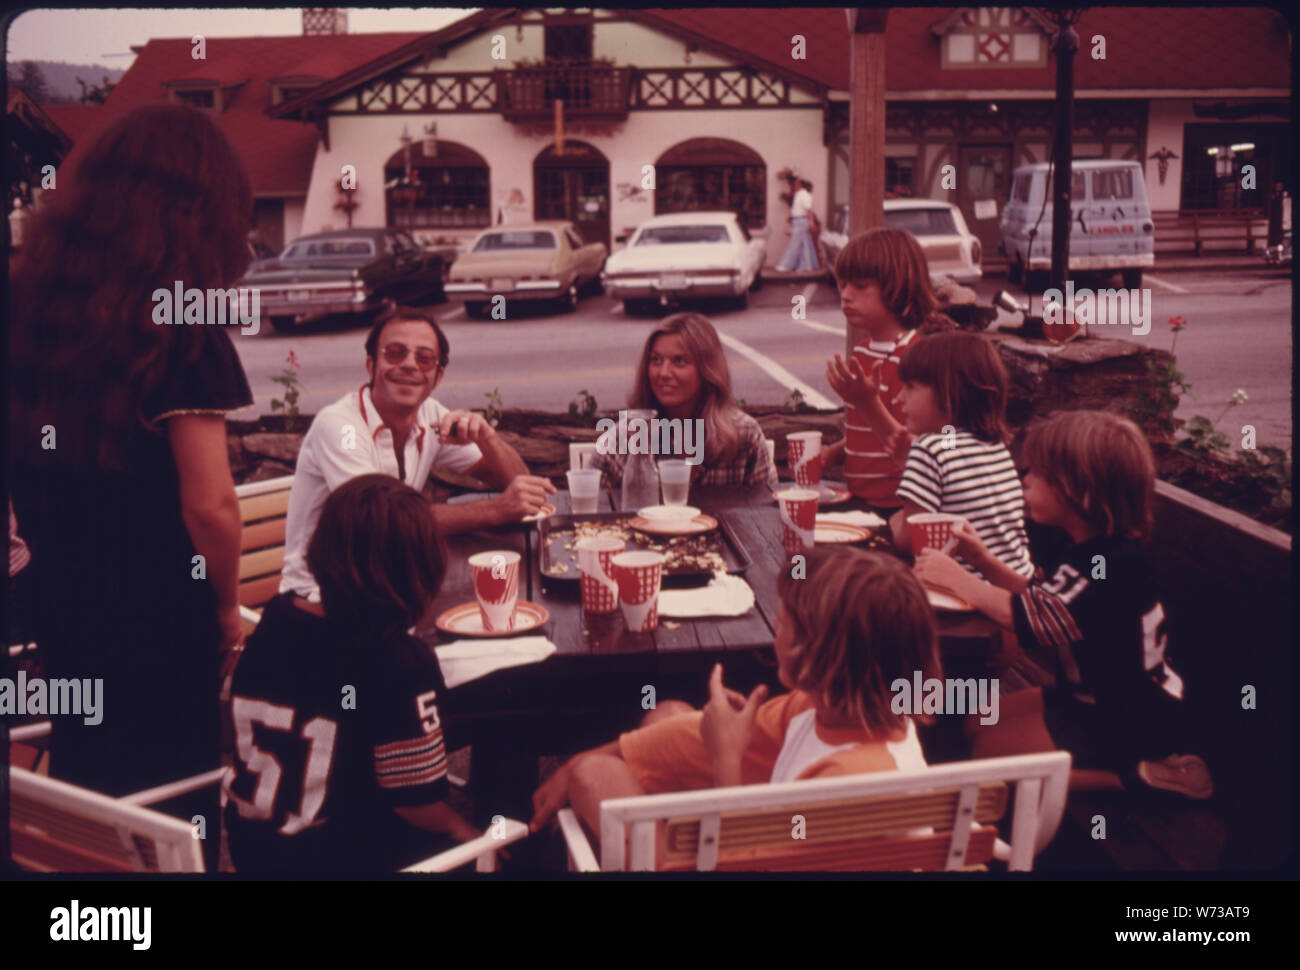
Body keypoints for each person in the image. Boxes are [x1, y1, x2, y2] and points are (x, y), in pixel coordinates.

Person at [9, 105, 253, 809]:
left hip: (60, 603)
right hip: (159, 619)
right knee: (172, 797)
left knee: (94, 783)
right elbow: (210, 506)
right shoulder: (185, 323)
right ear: (204, 210)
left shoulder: (27, 309)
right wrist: (229, 611)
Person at [529, 547, 938, 858]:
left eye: (787, 619)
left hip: (746, 862)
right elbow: (683, 738)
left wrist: (726, 757)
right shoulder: (821, 708)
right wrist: (573, 763)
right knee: (667, 715)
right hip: (769, 844)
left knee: (594, 776)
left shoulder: (853, 783)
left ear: (820, 654)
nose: (775, 623)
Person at [913, 411, 1214, 798]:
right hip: (1086, 695)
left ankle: (1140, 776)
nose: (1025, 479)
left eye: (1037, 473)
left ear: (1079, 490)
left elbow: (1033, 621)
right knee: (974, 722)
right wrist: (985, 562)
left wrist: (959, 579)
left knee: (985, 758)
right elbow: (1042, 600)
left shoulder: (1111, 567)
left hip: (1123, 718)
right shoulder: (1094, 551)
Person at [226, 475, 485, 871]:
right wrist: (467, 831)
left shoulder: (277, 617)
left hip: (255, 853)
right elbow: (417, 804)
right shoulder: (400, 662)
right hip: (342, 860)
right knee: (487, 845)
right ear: (418, 570)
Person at [279, 305, 555, 601]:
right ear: (371, 366)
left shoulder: (430, 415)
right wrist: (497, 511)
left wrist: (489, 438)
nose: (410, 365)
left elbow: (521, 484)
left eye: (424, 359)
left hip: (390, 582)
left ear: (438, 376)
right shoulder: (340, 426)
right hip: (322, 598)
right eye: (395, 353)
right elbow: (380, 525)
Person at [823, 228, 955, 513]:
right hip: (858, 500)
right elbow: (869, 431)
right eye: (842, 284)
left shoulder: (915, 359)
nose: (845, 295)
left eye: (860, 286)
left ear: (898, 286)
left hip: (898, 507)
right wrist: (833, 454)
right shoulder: (862, 352)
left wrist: (865, 402)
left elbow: (910, 447)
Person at [589, 313, 778, 489]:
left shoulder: (744, 435)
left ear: (707, 370)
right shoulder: (622, 439)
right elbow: (587, 516)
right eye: (656, 360)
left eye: (679, 361)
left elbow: (767, 514)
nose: (663, 373)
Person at [775, 178, 819, 272]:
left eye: (796, 184)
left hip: (801, 221)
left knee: (794, 243)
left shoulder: (804, 195)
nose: (794, 185)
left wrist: (810, 222)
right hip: (798, 220)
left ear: (801, 185)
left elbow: (808, 210)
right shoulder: (799, 195)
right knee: (805, 244)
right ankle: (807, 265)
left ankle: (785, 265)